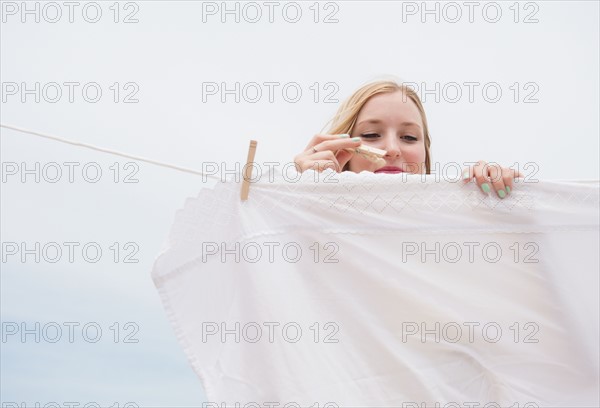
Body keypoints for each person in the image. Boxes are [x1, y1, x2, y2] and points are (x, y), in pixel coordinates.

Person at [293, 79, 522, 198]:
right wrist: (300, 195)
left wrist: (505, 205)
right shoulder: (306, 224)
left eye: (409, 137)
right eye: (371, 135)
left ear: (425, 155)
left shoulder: (453, 227)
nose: (392, 149)